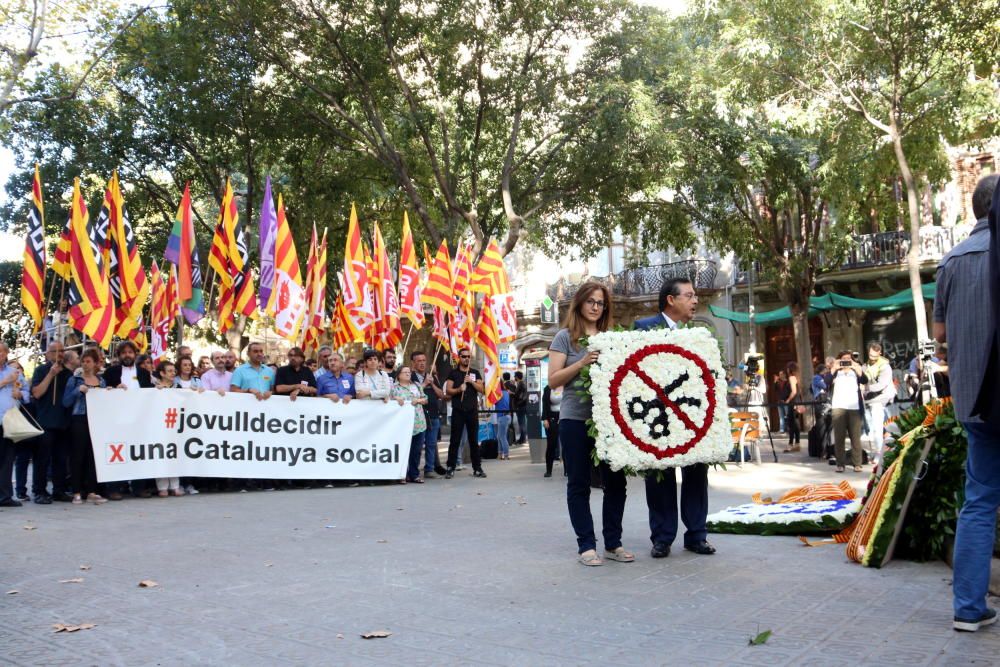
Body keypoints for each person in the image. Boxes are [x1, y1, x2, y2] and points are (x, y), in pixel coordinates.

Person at [934, 173, 1000, 632]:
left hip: (976, 402)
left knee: (977, 501)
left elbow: (940, 338)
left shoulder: (952, 260)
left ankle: (968, 608)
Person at [549, 282, 632, 566]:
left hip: (610, 422)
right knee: (579, 484)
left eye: (601, 303)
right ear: (580, 304)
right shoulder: (564, 338)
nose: (596, 307)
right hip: (575, 419)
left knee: (616, 483)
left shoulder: (612, 337)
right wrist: (582, 362)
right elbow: (554, 380)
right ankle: (586, 545)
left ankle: (613, 543)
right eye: (591, 302)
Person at [635, 277, 715, 558]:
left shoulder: (698, 333)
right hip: (657, 416)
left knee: (696, 474)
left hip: (690, 415)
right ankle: (662, 537)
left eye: (695, 296)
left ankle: (696, 535)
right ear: (671, 299)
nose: (695, 301)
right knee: (659, 478)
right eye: (689, 295)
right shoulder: (643, 328)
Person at [104, 341, 154, 499]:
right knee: (117, 452)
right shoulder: (111, 372)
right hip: (117, 420)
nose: (127, 355)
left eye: (130, 352)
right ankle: (114, 488)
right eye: (124, 353)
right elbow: (104, 392)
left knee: (139, 452)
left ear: (135, 354)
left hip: (139, 420)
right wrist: (113, 391)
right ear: (119, 355)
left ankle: (139, 487)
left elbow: (149, 394)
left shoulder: (144, 373)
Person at [61, 349, 109, 505]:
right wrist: (77, 391)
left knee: (93, 456)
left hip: (96, 421)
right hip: (79, 420)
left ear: (95, 363)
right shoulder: (74, 380)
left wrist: (110, 392)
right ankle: (76, 491)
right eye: (83, 361)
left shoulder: (101, 381)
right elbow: (65, 402)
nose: (85, 364)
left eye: (89, 361)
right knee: (77, 456)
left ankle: (92, 491)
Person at [25, 341, 71, 503]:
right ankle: (39, 491)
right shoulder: (41, 370)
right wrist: (51, 375)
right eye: (55, 351)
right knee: (42, 460)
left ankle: (59, 490)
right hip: (44, 422)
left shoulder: (68, 373)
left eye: (62, 351)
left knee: (60, 459)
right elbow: (36, 393)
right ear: (47, 354)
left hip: (63, 422)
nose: (59, 354)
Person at [443, 347, 486, 479]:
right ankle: (450, 467)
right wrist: (458, 389)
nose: (466, 359)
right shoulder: (453, 373)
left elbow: (482, 389)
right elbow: (448, 390)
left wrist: (471, 382)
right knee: (455, 440)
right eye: (464, 356)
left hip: (472, 411)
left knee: (474, 441)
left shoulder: (474, 372)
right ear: (459, 358)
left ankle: (477, 468)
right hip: (458, 411)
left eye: (468, 356)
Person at [0, 343, 30, 507]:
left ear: (6, 354)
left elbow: (27, 392)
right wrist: (6, 381)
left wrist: (20, 393)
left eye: (1, 352)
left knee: (7, 459)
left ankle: (5, 496)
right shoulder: (9, 376)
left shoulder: (14, 372)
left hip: (9, 421)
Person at [829, 350, 868, 473]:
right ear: (839, 360)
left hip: (854, 407)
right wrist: (833, 368)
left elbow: (865, 380)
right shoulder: (836, 373)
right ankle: (840, 464)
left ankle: (857, 464)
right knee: (839, 437)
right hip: (838, 407)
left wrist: (857, 368)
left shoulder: (855, 371)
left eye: (848, 359)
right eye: (843, 359)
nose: (846, 361)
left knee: (855, 437)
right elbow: (825, 382)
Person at [410, 351, 447, 477]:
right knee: (418, 444)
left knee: (431, 443)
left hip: (433, 413)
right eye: (418, 361)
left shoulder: (432, 376)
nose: (422, 363)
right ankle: (413, 469)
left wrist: (431, 383)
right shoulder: (410, 377)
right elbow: (411, 393)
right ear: (413, 363)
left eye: (423, 360)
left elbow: (441, 395)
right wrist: (424, 384)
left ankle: (429, 469)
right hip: (418, 415)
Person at [152, 361, 183, 497]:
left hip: (175, 424)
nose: (173, 373)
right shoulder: (154, 388)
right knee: (161, 453)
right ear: (162, 373)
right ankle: (162, 486)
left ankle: (175, 485)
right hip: (160, 425)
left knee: (175, 453)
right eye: (169, 371)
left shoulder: (178, 387)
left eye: (173, 371)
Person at [392, 365, 428, 483]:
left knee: (416, 450)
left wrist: (418, 400)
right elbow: (389, 399)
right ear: (399, 375)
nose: (408, 374)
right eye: (405, 372)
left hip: (419, 422)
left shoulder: (416, 385)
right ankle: (403, 474)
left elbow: (425, 399)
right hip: (402, 424)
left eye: (409, 372)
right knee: (404, 450)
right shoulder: (394, 388)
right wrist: (396, 399)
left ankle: (414, 474)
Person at [863, 342, 895, 465]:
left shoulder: (885, 367)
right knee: (871, 428)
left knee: (877, 428)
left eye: (875, 357)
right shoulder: (866, 365)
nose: (872, 359)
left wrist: (865, 389)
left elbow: (882, 385)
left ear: (880, 353)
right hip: (870, 400)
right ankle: (876, 451)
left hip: (880, 400)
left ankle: (879, 454)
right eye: (871, 356)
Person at [542, 384, 562, 477]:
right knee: (551, 444)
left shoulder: (567, 385)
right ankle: (548, 470)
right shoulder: (548, 388)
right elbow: (545, 404)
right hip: (552, 418)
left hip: (564, 416)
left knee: (567, 445)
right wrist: (545, 419)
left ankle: (568, 470)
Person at [783, 362, 802, 452]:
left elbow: (794, 391)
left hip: (793, 403)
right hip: (797, 402)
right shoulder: (797, 378)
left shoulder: (791, 378)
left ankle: (791, 444)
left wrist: (788, 400)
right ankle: (797, 443)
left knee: (792, 424)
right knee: (795, 423)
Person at [495, 381, 512, 461]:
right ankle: (500, 454)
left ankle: (506, 455)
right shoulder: (506, 392)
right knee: (500, 436)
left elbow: (494, 402)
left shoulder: (498, 393)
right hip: (507, 416)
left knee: (502, 437)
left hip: (502, 416)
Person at [512, 371, 528, 444]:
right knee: (522, 422)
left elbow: (518, 395)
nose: (514, 377)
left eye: (515, 376)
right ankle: (522, 438)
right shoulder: (522, 383)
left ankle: (523, 439)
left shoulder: (521, 384)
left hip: (521, 406)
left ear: (517, 377)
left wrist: (512, 394)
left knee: (521, 423)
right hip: (522, 405)